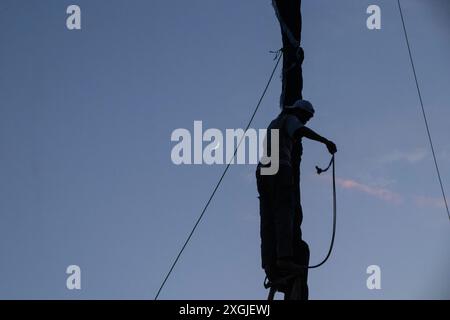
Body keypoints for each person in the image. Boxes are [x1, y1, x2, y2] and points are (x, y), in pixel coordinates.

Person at [256, 99, 337, 299]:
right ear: (301, 112)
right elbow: (300, 131)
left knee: (268, 220)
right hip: (280, 168)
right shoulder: (291, 119)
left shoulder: (275, 122)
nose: (306, 121)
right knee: (285, 214)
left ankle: (269, 262)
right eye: (307, 117)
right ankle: (284, 257)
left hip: (263, 171)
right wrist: (325, 141)